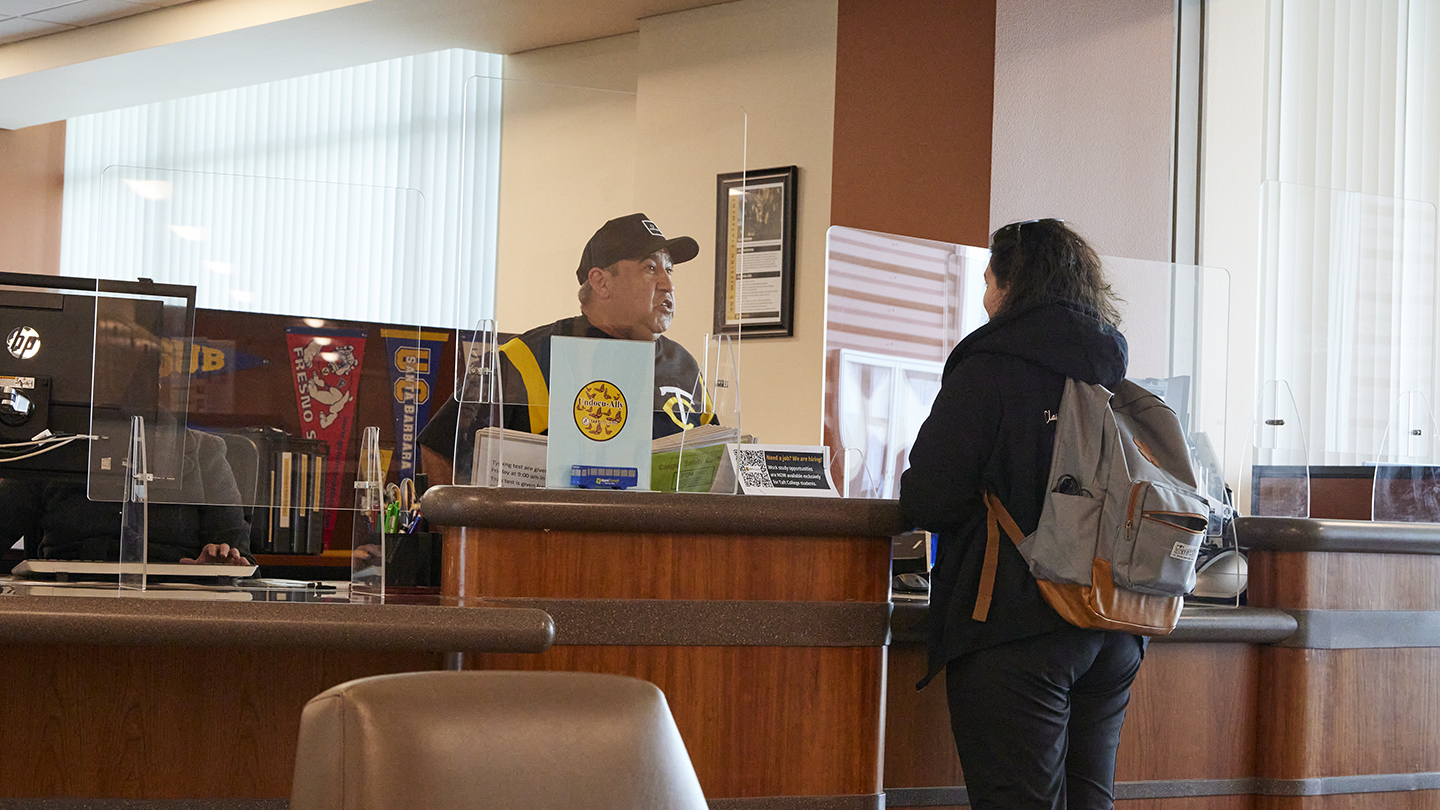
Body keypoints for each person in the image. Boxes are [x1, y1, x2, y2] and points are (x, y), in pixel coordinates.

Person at [898, 218, 1141, 810]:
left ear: (1012, 285)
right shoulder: (1110, 367)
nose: (984, 299)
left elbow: (930, 495)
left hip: (1017, 624)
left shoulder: (989, 367)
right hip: (1115, 627)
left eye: (988, 281)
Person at [418, 212, 715, 485]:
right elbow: (442, 451)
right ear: (600, 282)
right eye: (650, 268)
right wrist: (467, 537)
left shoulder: (684, 368)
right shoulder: (522, 359)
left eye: (670, 270)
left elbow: (716, 459)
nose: (668, 285)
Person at [0, 428, 253, 565]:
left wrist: (219, 568)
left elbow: (242, 559)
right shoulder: (57, 446)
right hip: (68, 596)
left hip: (177, 600)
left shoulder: (203, 451)